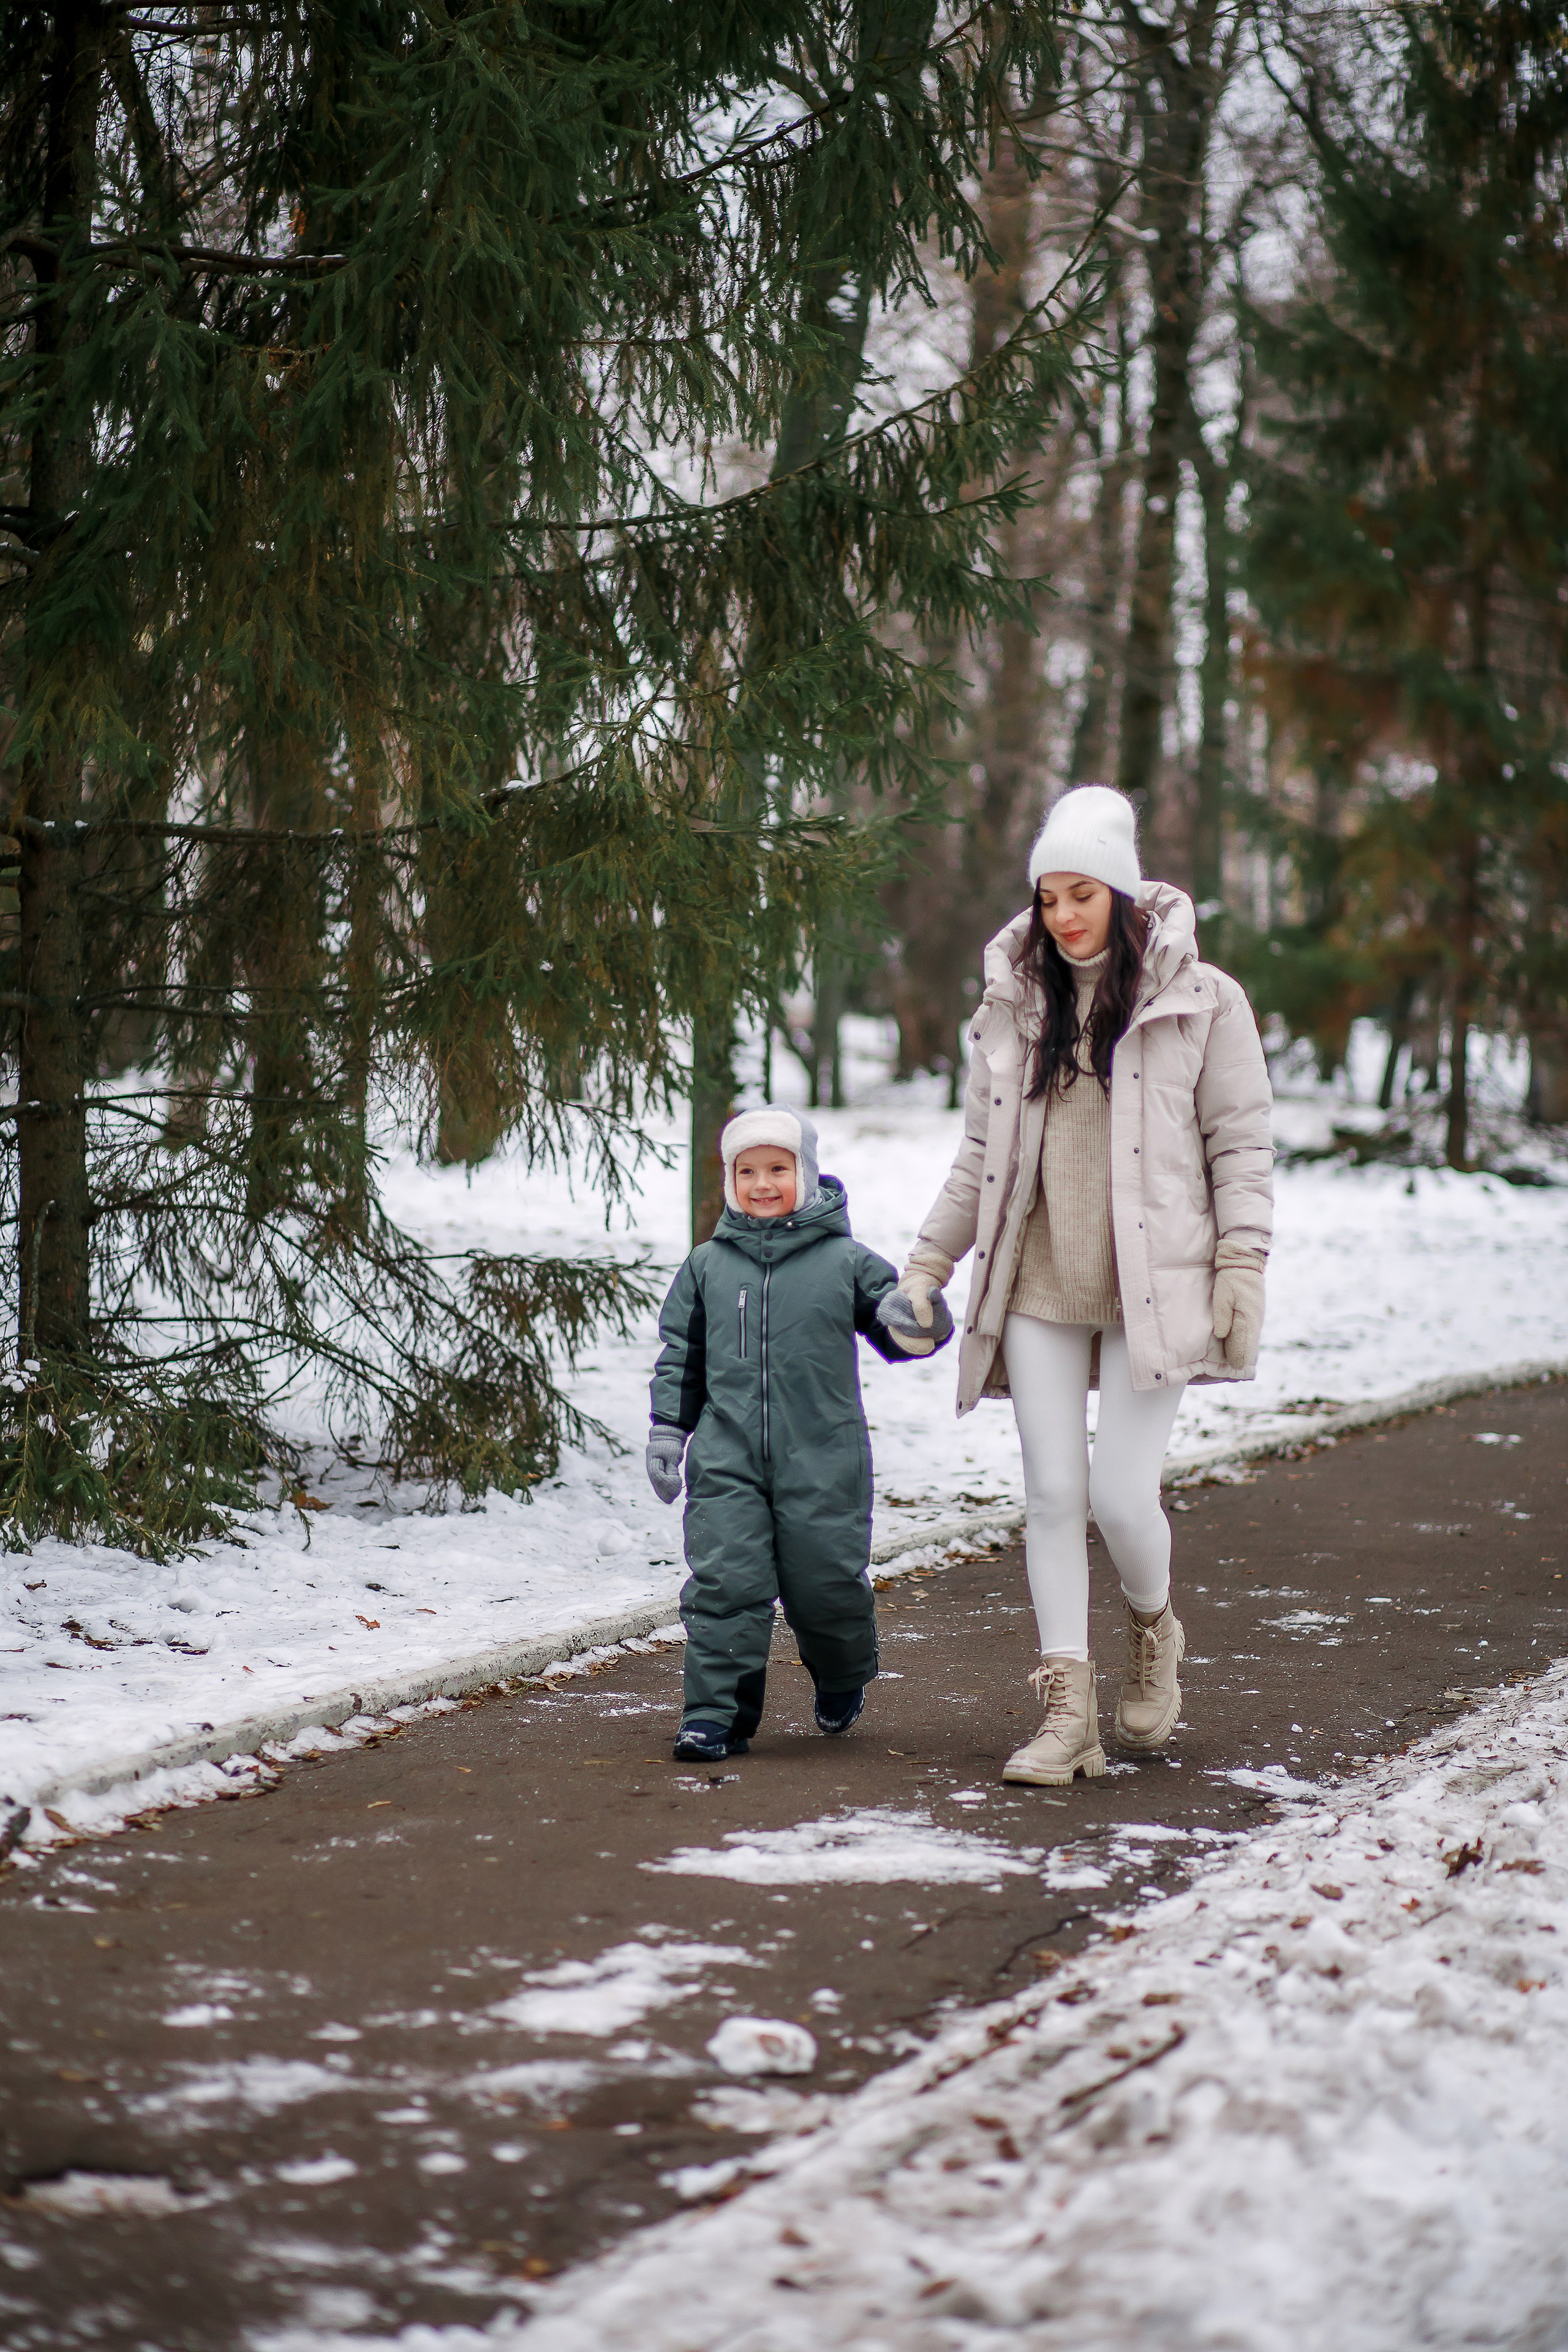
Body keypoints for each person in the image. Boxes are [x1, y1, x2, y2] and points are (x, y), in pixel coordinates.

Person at [885, 785, 1273, 1787]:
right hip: (1040, 1284)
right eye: (1048, 896)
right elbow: (981, 1157)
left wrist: (1242, 1270)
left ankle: (1155, 1628)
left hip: (1156, 1286)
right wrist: (930, 1265)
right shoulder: (1015, 1002)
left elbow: (1242, 1150)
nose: (1061, 916)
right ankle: (1070, 1715)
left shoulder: (1204, 999)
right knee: (1054, 1495)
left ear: (1121, 892)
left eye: (1080, 894)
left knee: (1119, 1496)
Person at [647, 1105, 952, 1763]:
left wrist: (920, 1318)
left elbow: (906, 1332)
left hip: (824, 1458)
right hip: (727, 1460)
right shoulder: (705, 1267)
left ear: (806, 1175)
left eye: (778, 1169)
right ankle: (712, 1717)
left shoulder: (843, 1261)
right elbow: (681, 1355)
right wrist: (669, 1431)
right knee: (725, 1583)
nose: (762, 1184)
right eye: (747, 1170)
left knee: (826, 1587)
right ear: (729, 1181)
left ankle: (842, 1673)